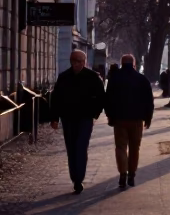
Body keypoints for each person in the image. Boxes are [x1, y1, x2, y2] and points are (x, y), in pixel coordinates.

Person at [49, 50, 106, 194]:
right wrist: (55, 118)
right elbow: (56, 99)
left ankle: (78, 178)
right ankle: (74, 177)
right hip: (68, 118)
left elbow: (101, 97)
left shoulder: (93, 77)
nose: (76, 64)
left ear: (84, 62)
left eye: (79, 61)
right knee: (71, 147)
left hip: (85, 118)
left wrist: (95, 114)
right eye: (74, 61)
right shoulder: (64, 77)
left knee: (81, 146)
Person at [105, 54, 155, 189]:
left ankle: (122, 173)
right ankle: (132, 174)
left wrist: (109, 115)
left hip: (120, 119)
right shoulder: (142, 79)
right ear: (134, 64)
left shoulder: (115, 78)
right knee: (134, 148)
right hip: (137, 119)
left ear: (122, 63)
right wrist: (148, 118)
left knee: (120, 147)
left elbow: (108, 98)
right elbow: (149, 101)